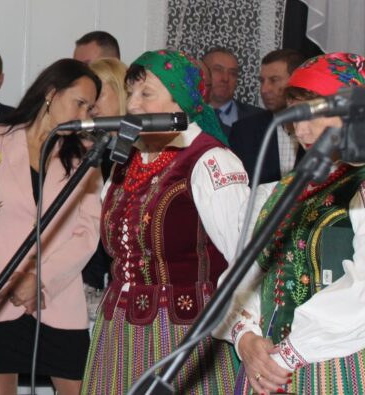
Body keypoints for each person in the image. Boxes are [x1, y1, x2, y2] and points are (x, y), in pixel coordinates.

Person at [222, 53, 365, 394]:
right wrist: (246, 336)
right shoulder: (293, 185)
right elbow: (251, 270)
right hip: (269, 364)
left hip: (344, 365)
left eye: (313, 114)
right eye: (294, 117)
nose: (300, 131)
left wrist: (288, 353)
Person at [81, 50, 249, 394]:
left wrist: (247, 331)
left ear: (180, 101)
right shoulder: (126, 159)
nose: (133, 104)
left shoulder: (210, 161)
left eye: (146, 93)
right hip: (118, 330)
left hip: (182, 332)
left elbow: (244, 259)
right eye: (131, 93)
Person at [0, 59, 102, 395]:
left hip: (56, 297)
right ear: (51, 93)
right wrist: (14, 278)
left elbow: (87, 232)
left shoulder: (87, 155)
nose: (85, 114)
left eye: (90, 108)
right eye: (79, 103)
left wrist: (39, 279)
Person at [79, 58, 128, 293]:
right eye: (88, 98)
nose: (92, 104)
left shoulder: (142, 150)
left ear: (121, 92)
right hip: (90, 269)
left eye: (99, 94)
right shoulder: (87, 147)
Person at [229, 49, 306, 182]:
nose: (264, 89)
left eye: (274, 80)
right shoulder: (244, 132)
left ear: (296, 81)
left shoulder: (320, 128)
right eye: (262, 81)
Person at [203, 46, 260, 130]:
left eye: (232, 73)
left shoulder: (259, 118)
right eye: (218, 70)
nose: (225, 78)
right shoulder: (186, 115)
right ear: (203, 73)